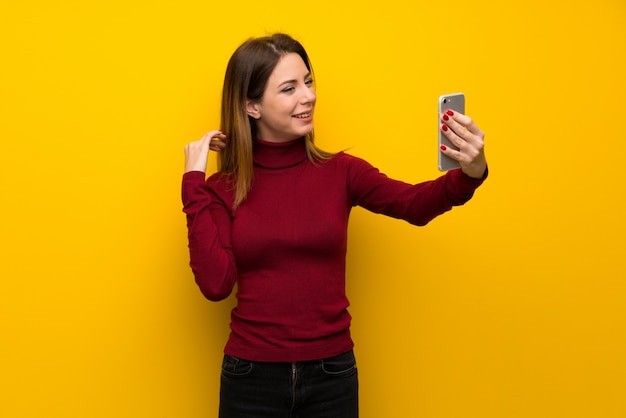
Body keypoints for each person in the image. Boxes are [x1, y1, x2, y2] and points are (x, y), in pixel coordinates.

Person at [182, 33, 487, 418]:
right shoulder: (221, 189)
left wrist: (471, 172)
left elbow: (414, 205)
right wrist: (194, 181)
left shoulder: (341, 172)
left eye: (308, 82)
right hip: (250, 377)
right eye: (289, 88)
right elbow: (215, 285)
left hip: (332, 374)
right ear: (251, 106)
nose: (307, 96)